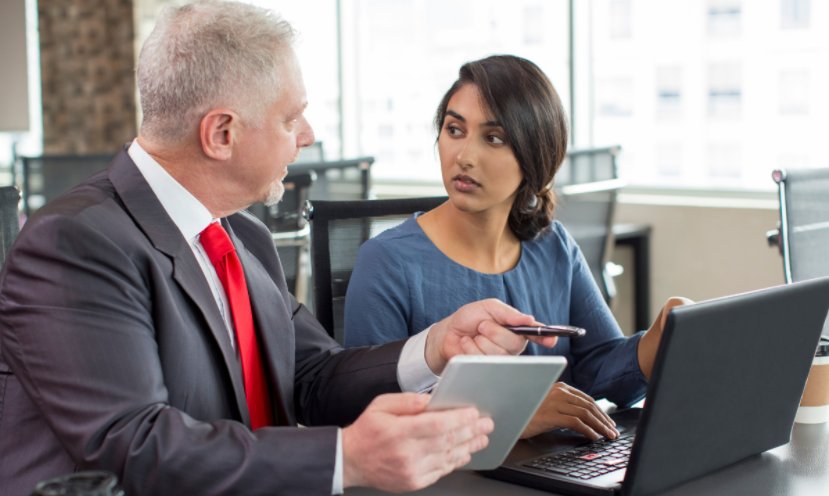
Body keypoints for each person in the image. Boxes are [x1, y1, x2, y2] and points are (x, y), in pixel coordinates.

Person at [0, 4, 560, 496]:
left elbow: (311, 378)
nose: (308, 134)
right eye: (291, 117)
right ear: (221, 134)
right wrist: (347, 457)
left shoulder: (241, 236)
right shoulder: (75, 243)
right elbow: (136, 447)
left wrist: (435, 347)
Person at [344, 55, 692, 439]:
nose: (464, 156)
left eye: (493, 138)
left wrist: (660, 340)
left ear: (534, 158)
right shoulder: (388, 261)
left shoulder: (553, 245)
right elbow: (373, 418)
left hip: (554, 467)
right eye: (454, 129)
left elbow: (600, 368)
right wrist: (510, 415)